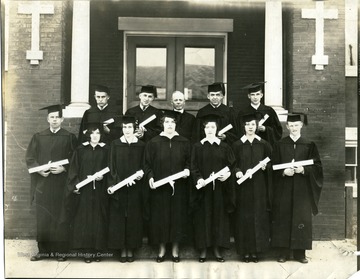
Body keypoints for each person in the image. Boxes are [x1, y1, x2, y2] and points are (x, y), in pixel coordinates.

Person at [25, 104, 77, 261]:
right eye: (52, 117)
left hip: (61, 183)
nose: (55, 120)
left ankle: (61, 252)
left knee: (60, 216)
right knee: (43, 217)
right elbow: (30, 158)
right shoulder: (38, 137)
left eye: (57, 117)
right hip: (44, 183)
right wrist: (39, 170)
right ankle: (43, 251)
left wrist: (64, 168)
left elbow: (76, 160)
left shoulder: (69, 137)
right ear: (48, 119)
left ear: (62, 119)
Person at [271, 113, 323, 264]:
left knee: (301, 218)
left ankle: (300, 253)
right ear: (286, 127)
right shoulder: (280, 145)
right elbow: (272, 167)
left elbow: (318, 167)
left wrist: (304, 171)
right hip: (284, 188)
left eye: (296, 125)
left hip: (302, 189)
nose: (293, 128)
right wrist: (283, 172)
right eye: (291, 125)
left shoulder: (309, 145)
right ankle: (283, 253)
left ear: (301, 126)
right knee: (283, 218)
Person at [143, 110, 191, 263]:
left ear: (176, 124)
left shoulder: (184, 142)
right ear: (162, 124)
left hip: (179, 187)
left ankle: (176, 249)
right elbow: (147, 164)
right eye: (167, 122)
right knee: (160, 218)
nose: (169, 125)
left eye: (172, 122)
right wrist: (150, 176)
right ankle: (162, 248)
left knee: (177, 217)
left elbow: (190, 162)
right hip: (160, 187)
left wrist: (187, 170)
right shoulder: (154, 142)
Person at [190, 113, 235, 263]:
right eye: (207, 127)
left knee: (218, 218)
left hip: (220, 189)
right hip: (203, 189)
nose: (210, 129)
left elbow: (231, 165)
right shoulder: (197, 146)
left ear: (217, 129)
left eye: (213, 127)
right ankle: (203, 250)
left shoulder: (224, 146)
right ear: (203, 129)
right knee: (203, 218)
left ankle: (217, 250)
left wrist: (227, 175)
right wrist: (199, 179)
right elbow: (193, 166)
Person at [232, 113, 272, 263]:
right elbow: (232, 164)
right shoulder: (237, 145)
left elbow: (271, 164)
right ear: (244, 127)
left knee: (258, 217)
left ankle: (256, 252)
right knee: (244, 218)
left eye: (253, 125)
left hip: (259, 186)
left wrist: (264, 167)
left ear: (256, 127)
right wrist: (237, 171)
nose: (250, 127)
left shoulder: (264, 144)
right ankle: (245, 252)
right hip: (243, 187)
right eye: (247, 125)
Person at [67, 122, 109, 263]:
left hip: (99, 190)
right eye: (92, 133)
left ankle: (97, 251)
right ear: (88, 135)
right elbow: (74, 169)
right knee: (84, 219)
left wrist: (103, 177)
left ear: (101, 135)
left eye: (98, 133)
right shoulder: (80, 150)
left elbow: (111, 168)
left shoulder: (106, 150)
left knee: (98, 219)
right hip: (84, 190)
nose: (95, 136)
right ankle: (86, 252)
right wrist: (76, 185)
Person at [107, 116, 146, 263]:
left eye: (130, 127)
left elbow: (144, 164)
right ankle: (122, 249)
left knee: (133, 218)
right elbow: (112, 166)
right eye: (125, 128)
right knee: (120, 218)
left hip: (136, 187)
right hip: (120, 188)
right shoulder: (115, 144)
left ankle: (131, 249)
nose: (127, 130)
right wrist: (118, 182)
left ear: (134, 129)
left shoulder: (141, 145)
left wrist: (139, 175)